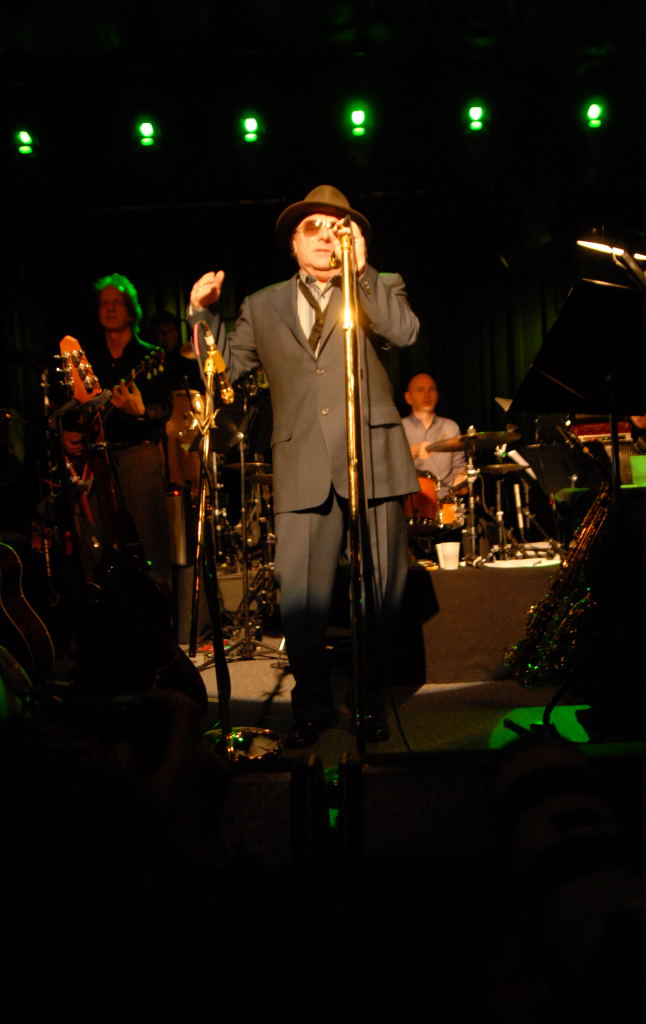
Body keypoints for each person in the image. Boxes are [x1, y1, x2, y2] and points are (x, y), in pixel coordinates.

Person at [188, 184, 419, 746]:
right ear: (293, 243)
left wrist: (361, 272)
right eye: (311, 227)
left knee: (382, 592)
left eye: (336, 227)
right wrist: (202, 314)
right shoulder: (262, 304)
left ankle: (368, 701)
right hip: (301, 461)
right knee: (301, 596)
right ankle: (312, 704)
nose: (323, 236)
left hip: (373, 454)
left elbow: (404, 333)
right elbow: (223, 371)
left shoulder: (379, 284)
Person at [88, 274, 172, 588]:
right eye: (104, 303)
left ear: (130, 310)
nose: (109, 308)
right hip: (97, 456)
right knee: (92, 535)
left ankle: (164, 592)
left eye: (117, 303)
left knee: (153, 532)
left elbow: (165, 408)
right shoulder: (89, 359)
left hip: (137, 449)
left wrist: (141, 412)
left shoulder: (149, 356)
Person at [402, 373, 466, 497]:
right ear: (408, 398)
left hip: (446, 501)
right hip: (412, 501)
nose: (427, 395)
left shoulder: (451, 427)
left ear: (437, 396)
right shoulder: (400, 428)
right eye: (420, 390)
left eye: (431, 390)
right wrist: (413, 452)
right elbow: (391, 469)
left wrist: (462, 478)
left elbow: (459, 467)